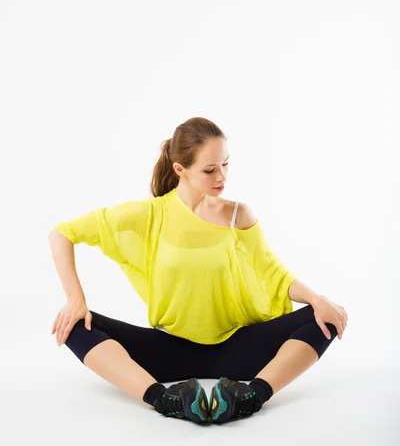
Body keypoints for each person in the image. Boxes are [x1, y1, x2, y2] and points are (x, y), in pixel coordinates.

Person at [48, 116, 347, 424]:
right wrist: (76, 300)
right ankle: (165, 400)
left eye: (226, 164)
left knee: (324, 315)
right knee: (73, 325)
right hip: (169, 350)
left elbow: (274, 273)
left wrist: (317, 299)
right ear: (180, 169)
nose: (222, 176)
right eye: (210, 169)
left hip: (239, 348)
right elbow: (62, 233)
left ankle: (250, 397)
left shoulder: (237, 214)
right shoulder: (150, 215)